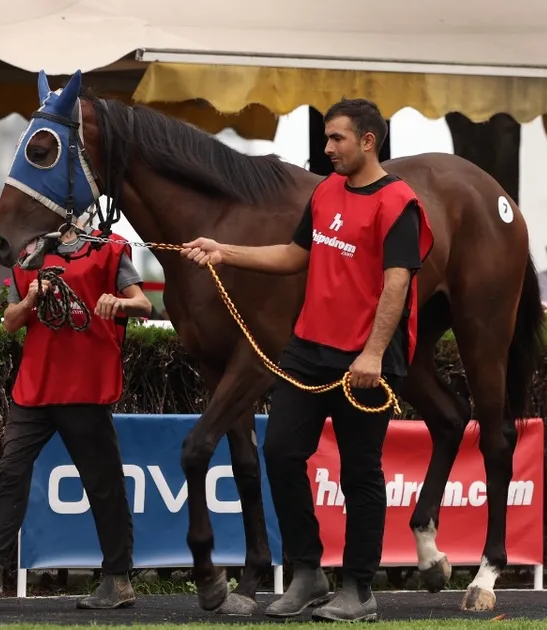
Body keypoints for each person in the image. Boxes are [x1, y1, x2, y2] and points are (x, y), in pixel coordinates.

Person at [181, 97, 432, 623]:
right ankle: (309, 573)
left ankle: (359, 590)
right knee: (280, 453)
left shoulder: (399, 203)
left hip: (365, 361)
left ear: (368, 140)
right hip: (308, 349)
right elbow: (295, 255)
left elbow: (397, 283)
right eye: (326, 138)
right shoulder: (325, 192)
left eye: (337, 138)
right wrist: (225, 252)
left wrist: (373, 353)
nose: (328, 148)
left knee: (360, 473)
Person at [0, 225, 152, 610]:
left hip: (85, 388)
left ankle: (118, 581)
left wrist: (118, 303)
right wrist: (30, 302)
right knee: (10, 471)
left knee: (103, 484)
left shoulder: (108, 249)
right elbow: (10, 320)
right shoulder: (29, 254)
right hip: (35, 388)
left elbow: (144, 303)